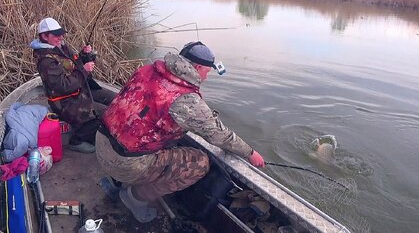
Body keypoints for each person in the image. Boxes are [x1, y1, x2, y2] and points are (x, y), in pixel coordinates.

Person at [96, 41, 265, 223]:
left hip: (101, 141)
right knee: (200, 164)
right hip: (125, 164)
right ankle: (134, 197)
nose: (206, 78)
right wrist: (250, 152)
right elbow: (218, 134)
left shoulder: (146, 70)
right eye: (207, 72)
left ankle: (115, 182)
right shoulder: (186, 99)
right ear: (198, 67)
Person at [30, 17, 114, 153]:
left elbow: (74, 65)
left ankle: (94, 132)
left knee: (114, 101)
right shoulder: (45, 61)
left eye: (61, 33)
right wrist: (84, 70)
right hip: (65, 102)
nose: (61, 37)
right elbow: (63, 85)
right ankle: (77, 140)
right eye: (56, 35)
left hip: (80, 90)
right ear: (44, 36)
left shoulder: (60, 47)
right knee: (104, 114)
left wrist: (84, 56)